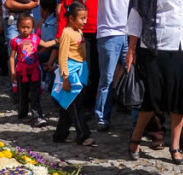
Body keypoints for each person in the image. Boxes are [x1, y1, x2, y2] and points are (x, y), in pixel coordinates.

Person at [125, 0, 183, 164]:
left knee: (180, 98)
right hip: (154, 47)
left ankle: (175, 145)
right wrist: (131, 49)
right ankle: (136, 135)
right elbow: (137, 14)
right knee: (151, 98)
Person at [52, 1, 93, 145]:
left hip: (80, 70)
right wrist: (65, 78)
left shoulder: (78, 31)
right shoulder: (66, 33)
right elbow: (62, 56)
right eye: (82, 18)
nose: (85, 21)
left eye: (85, 18)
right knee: (76, 105)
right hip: (70, 73)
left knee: (67, 105)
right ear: (71, 18)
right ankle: (83, 134)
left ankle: (60, 134)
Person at [9, 13, 55, 124]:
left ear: (32, 28)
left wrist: (57, 40)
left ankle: (37, 115)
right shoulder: (15, 41)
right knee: (23, 94)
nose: (25, 30)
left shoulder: (35, 38)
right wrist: (12, 72)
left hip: (34, 71)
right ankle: (22, 113)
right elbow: (11, 57)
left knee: (35, 94)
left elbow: (46, 44)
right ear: (18, 27)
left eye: (28, 27)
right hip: (21, 72)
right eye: (23, 27)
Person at [93, 0, 127, 130]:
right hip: (108, 33)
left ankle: (138, 121)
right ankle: (102, 118)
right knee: (107, 78)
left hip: (130, 33)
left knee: (134, 77)